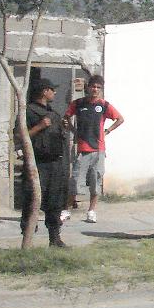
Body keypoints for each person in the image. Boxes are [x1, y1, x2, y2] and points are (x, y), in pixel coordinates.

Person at [64, 74, 124, 223]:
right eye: (93, 86)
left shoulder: (104, 105)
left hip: (98, 150)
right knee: (75, 180)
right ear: (88, 88)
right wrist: (73, 130)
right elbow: (66, 117)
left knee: (95, 182)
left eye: (98, 87)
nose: (95, 89)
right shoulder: (78, 103)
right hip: (82, 150)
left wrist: (107, 131)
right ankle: (66, 210)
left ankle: (91, 211)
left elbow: (120, 119)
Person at [19, 79, 70, 247]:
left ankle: (54, 239)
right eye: (52, 90)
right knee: (31, 200)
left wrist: (63, 127)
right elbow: (19, 136)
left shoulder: (53, 113)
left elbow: (59, 137)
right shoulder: (28, 112)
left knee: (55, 202)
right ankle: (27, 241)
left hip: (55, 164)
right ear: (44, 91)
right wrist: (40, 126)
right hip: (37, 164)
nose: (54, 93)